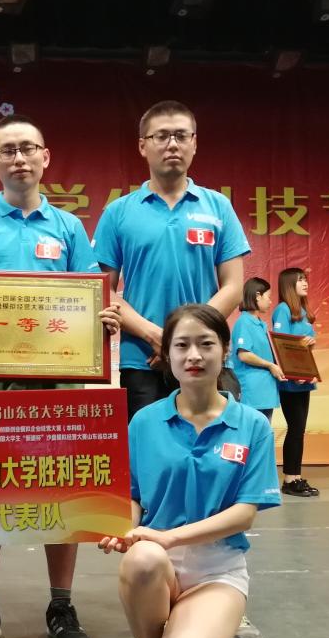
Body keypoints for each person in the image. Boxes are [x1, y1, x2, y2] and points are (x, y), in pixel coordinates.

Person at [0, 114, 122, 638]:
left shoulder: (68, 227)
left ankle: (61, 604)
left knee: (64, 489)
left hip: (59, 381)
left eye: (27, 148)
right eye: (7, 150)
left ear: (45, 157)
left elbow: (88, 296)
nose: (19, 158)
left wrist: (102, 319)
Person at [99, 304, 280, 638]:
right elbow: (132, 495)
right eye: (181, 345)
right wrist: (124, 528)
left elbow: (245, 512)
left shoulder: (253, 425)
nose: (193, 355)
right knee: (142, 557)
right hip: (155, 560)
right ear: (167, 353)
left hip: (218, 569)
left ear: (225, 350)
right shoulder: (144, 422)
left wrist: (168, 536)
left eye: (205, 344)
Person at [92, 100, 250, 422]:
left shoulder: (218, 207)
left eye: (181, 135)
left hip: (205, 354)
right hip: (142, 360)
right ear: (143, 146)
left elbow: (233, 287)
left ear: (194, 143)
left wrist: (182, 339)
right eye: (161, 136)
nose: (172, 144)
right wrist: (154, 336)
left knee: (211, 444)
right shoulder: (118, 212)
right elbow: (102, 289)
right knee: (145, 447)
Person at [272, 267, 319, 497]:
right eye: (300, 280)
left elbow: (305, 346)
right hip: (291, 382)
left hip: (304, 380)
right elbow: (281, 345)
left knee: (299, 430)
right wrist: (293, 373)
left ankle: (296, 477)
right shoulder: (282, 310)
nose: (305, 283)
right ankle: (290, 480)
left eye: (305, 279)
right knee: (295, 428)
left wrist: (310, 344)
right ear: (289, 285)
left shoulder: (304, 312)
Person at [231, 277, 285, 422]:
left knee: (264, 431)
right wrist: (270, 365)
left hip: (265, 391)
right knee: (251, 431)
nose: (270, 301)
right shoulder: (244, 322)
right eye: (268, 296)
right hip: (252, 392)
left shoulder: (261, 324)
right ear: (257, 296)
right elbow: (244, 355)